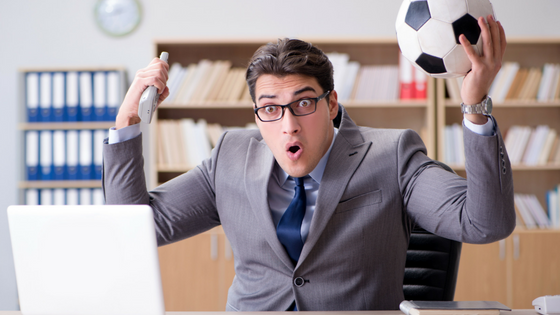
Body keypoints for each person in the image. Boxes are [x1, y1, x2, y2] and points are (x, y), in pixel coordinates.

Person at [103, 15, 514, 311]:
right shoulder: (230, 155)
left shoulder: (393, 155)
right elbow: (136, 227)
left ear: (331, 103)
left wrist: (474, 107)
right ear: (256, 114)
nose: (289, 127)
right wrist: (127, 123)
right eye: (270, 109)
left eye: (303, 103)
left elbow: (485, 222)